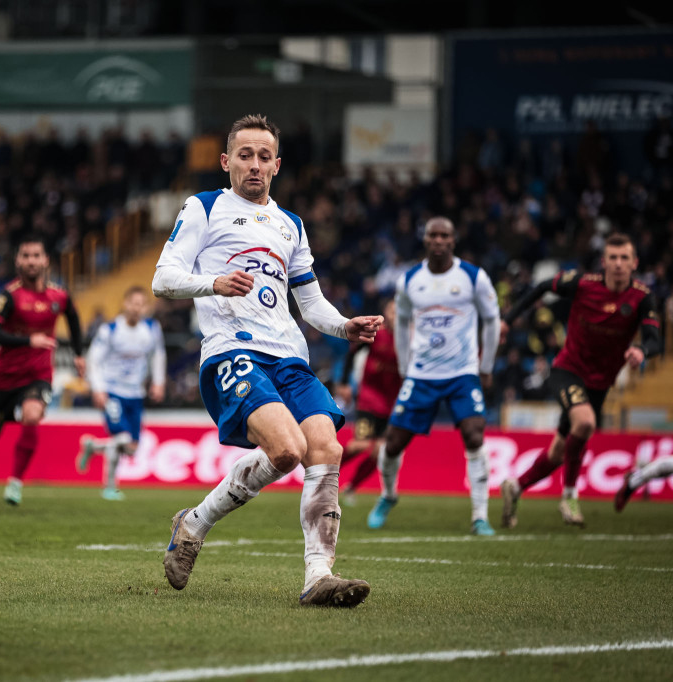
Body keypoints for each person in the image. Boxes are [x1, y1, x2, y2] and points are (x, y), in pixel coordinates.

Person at [152, 114, 383, 607]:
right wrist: (211, 283)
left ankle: (318, 576)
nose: (254, 165)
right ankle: (194, 524)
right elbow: (163, 278)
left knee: (326, 449)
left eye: (263, 157)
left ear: (277, 164)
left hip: (289, 357)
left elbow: (311, 303)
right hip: (232, 351)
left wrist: (345, 326)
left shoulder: (290, 224)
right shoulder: (205, 207)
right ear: (226, 161)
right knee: (284, 450)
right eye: (244, 155)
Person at [499, 233, 661, 527]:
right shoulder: (583, 284)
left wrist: (642, 349)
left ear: (635, 263)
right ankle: (570, 497)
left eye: (625, 258)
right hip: (567, 370)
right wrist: (507, 321)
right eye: (613, 257)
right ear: (604, 262)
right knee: (584, 423)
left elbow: (655, 340)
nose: (618, 264)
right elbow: (540, 287)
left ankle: (516, 486)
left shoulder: (642, 297)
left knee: (560, 452)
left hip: (600, 383)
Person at [366, 217, 501, 536]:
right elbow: (399, 324)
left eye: (445, 236)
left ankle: (480, 515)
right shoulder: (410, 280)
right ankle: (388, 495)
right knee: (393, 443)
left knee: (475, 435)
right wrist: (404, 368)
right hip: (422, 374)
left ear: (453, 241)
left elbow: (492, 321)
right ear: (425, 241)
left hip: (462, 373)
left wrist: (486, 367)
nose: (439, 240)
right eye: (433, 236)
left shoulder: (473, 277)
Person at [0, 235, 85, 510]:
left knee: (32, 415)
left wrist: (79, 353)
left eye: (36, 255)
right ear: (18, 261)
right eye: (26, 256)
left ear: (46, 260)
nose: (31, 261)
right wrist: (29, 340)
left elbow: (72, 316)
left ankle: (15, 482)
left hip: (38, 375)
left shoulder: (58, 295)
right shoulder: (9, 296)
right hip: (4, 378)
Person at [76, 285, 166, 500]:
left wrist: (158, 383)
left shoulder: (152, 329)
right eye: (133, 303)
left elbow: (158, 355)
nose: (136, 308)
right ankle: (109, 487)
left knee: (132, 448)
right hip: (113, 391)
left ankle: (92, 446)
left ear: (146, 307)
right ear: (125, 304)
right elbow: (93, 360)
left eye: (141, 304)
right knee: (122, 438)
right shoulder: (110, 330)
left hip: (135, 394)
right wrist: (98, 389)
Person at [336, 299, 401, 506]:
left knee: (380, 452)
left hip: (393, 404)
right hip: (370, 399)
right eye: (393, 310)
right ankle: (326, 474)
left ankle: (352, 487)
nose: (396, 314)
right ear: (385, 312)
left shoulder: (409, 338)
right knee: (359, 445)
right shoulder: (377, 333)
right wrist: (345, 383)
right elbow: (351, 354)